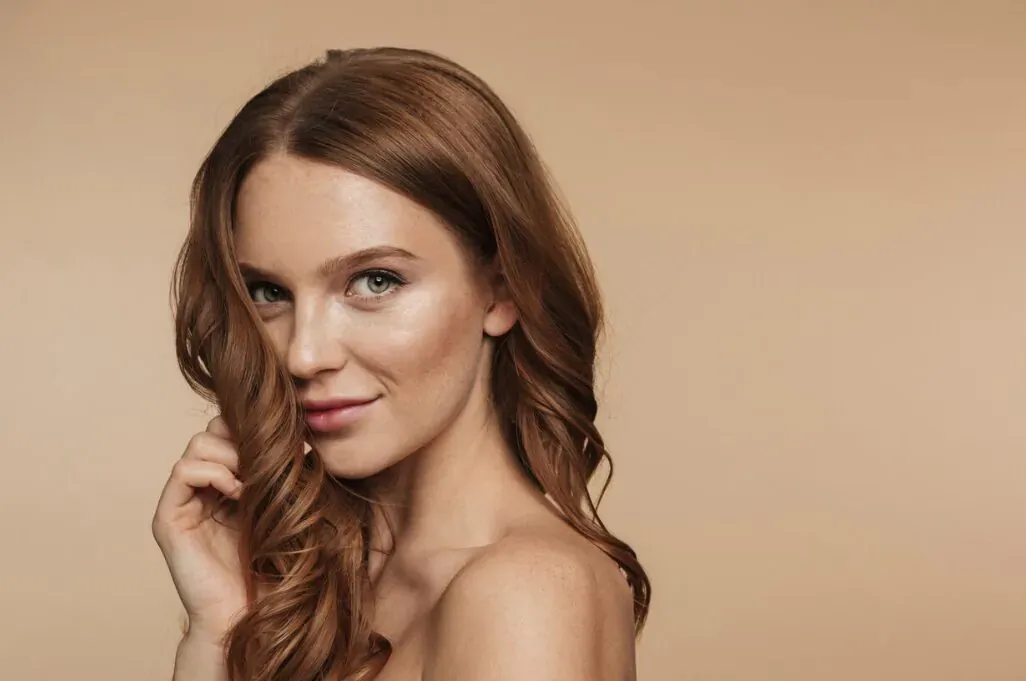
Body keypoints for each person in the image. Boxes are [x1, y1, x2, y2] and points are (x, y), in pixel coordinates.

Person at [150, 47, 651, 681]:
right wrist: (217, 631)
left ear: (502, 290)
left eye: (376, 281)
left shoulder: (524, 591)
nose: (303, 354)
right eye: (269, 292)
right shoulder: (342, 580)